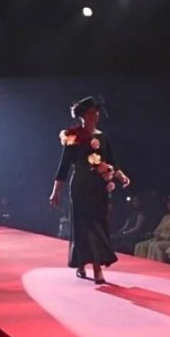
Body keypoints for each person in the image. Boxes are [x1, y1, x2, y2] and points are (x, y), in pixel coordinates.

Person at [49, 96, 130, 285]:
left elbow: (111, 161)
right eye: (91, 112)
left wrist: (121, 175)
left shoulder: (103, 137)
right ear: (83, 115)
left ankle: (89, 263)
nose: (95, 115)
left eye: (96, 112)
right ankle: (93, 267)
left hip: (98, 186)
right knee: (83, 226)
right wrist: (56, 191)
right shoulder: (73, 136)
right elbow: (64, 166)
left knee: (97, 225)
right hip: (80, 185)